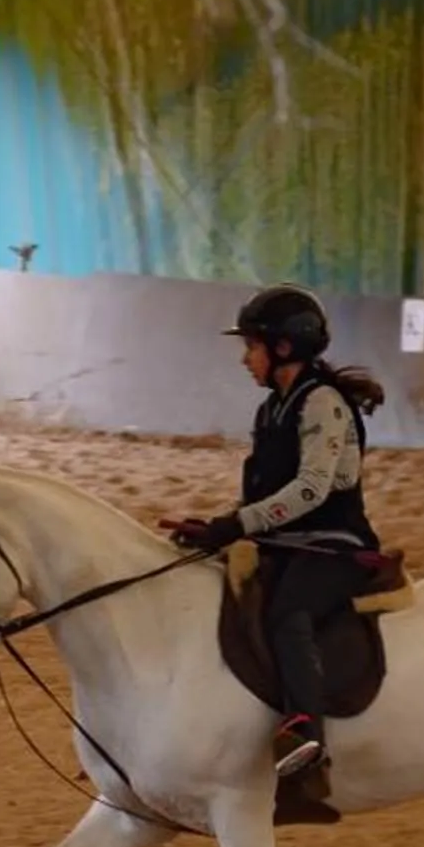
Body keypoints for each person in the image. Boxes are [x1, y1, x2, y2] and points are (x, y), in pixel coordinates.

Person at [163, 282, 387, 791]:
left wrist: (239, 524)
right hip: (283, 542)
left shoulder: (323, 403)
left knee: (289, 613)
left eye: (252, 346)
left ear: (284, 347)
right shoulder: (271, 410)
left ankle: (307, 734)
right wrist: (219, 524)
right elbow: (264, 491)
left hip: (334, 544)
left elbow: (311, 489)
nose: (245, 359)